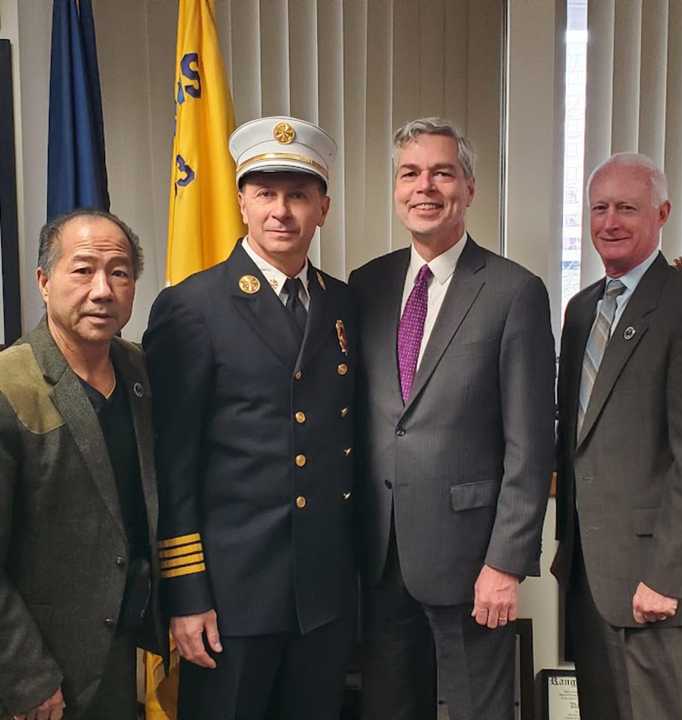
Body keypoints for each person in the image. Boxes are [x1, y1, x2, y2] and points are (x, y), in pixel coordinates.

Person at [143, 116, 356, 720]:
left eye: (298, 195)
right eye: (265, 193)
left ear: (323, 208)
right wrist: (185, 594)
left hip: (324, 594)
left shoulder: (343, 302)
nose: (281, 211)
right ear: (241, 202)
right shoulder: (192, 306)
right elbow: (172, 463)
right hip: (231, 600)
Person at [349, 117, 556, 720]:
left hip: (471, 564)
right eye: (410, 173)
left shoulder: (514, 292)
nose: (425, 187)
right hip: (381, 559)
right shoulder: (368, 285)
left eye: (442, 172)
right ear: (395, 189)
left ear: (469, 187)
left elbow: (530, 443)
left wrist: (506, 563)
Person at [552, 152, 682, 720]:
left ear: (662, 212)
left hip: (657, 587)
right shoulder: (580, 312)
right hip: (589, 581)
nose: (610, 222)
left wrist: (668, 576)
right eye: (600, 208)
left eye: (628, 207)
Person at [0, 209, 164, 719]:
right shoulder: (9, 385)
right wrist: (26, 675)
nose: (102, 290)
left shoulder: (140, 369)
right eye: (83, 270)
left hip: (120, 650)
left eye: (119, 272)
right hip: (42, 668)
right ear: (44, 282)